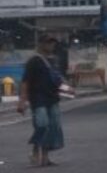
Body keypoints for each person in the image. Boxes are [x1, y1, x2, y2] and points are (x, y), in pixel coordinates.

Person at [18, 34, 72, 167]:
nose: (51, 45)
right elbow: (25, 82)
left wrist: (67, 88)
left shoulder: (54, 60)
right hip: (38, 99)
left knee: (53, 127)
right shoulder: (34, 60)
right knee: (42, 125)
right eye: (48, 42)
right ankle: (35, 151)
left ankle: (46, 158)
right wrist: (22, 101)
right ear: (41, 44)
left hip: (52, 98)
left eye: (53, 43)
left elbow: (57, 79)